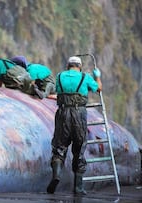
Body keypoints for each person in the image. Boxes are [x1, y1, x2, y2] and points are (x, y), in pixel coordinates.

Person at [46, 56, 102, 195]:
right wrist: (97, 76)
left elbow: (57, 91)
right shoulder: (85, 77)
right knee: (79, 148)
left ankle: (56, 175)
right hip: (79, 114)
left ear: (68, 65)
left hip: (63, 113)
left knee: (59, 146)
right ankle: (78, 187)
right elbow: (98, 89)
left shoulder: (59, 76)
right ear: (80, 66)